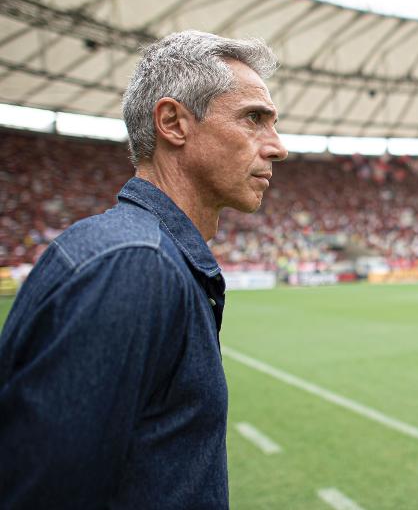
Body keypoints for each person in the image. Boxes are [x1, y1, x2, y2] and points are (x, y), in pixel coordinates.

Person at [0, 30, 288, 509]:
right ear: (173, 123)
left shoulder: (147, 255)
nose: (278, 147)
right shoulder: (135, 264)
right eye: (254, 119)